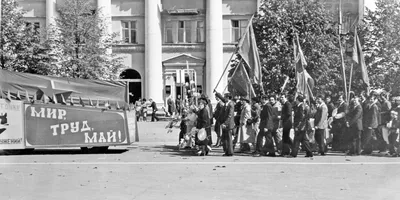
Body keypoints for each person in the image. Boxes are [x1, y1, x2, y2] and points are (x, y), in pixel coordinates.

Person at [218, 92, 235, 157]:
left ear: (228, 97)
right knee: (225, 138)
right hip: (224, 123)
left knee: (228, 138)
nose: (224, 98)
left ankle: (230, 152)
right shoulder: (226, 104)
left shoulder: (231, 104)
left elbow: (229, 115)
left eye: (225, 97)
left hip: (228, 124)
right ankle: (226, 151)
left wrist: (225, 123)